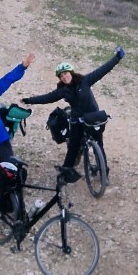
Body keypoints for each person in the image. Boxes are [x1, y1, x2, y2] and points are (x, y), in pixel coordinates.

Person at [22, 47, 125, 180]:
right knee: (73, 146)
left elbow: (102, 70)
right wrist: (30, 100)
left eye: (65, 73)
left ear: (71, 72)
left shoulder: (85, 81)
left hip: (92, 117)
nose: (64, 77)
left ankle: (104, 173)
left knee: (99, 145)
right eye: (61, 76)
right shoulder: (63, 90)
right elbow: (48, 97)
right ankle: (66, 172)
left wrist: (117, 57)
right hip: (77, 119)